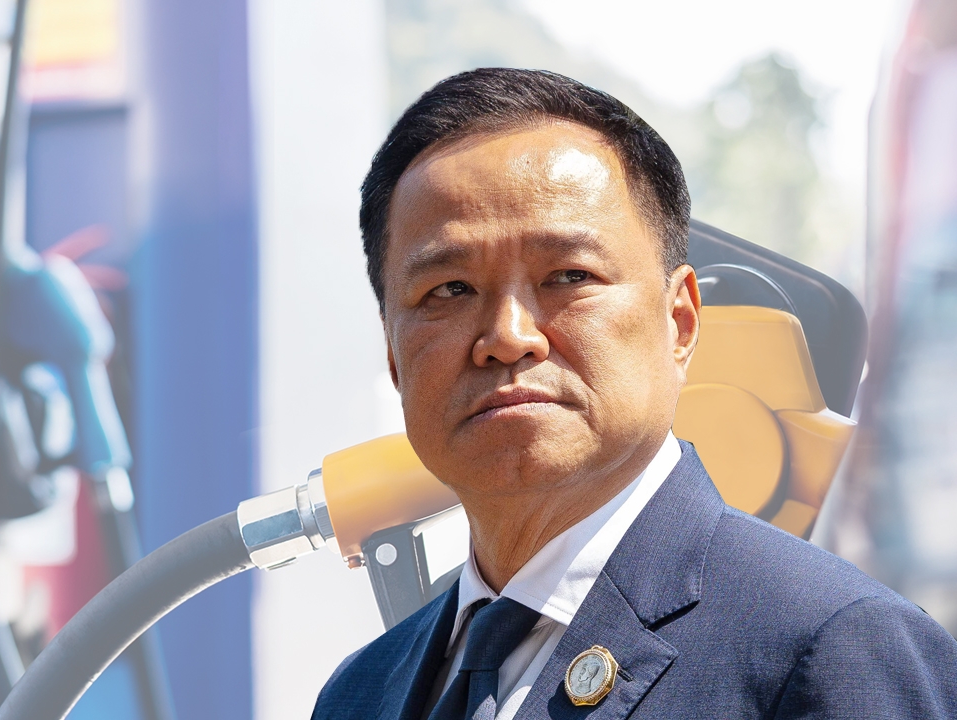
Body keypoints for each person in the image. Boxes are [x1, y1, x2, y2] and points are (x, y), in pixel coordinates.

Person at [311, 68, 957, 720]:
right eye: (449, 290)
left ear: (680, 322)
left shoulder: (837, 648)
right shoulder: (360, 693)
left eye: (569, 275)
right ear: (393, 355)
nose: (507, 338)